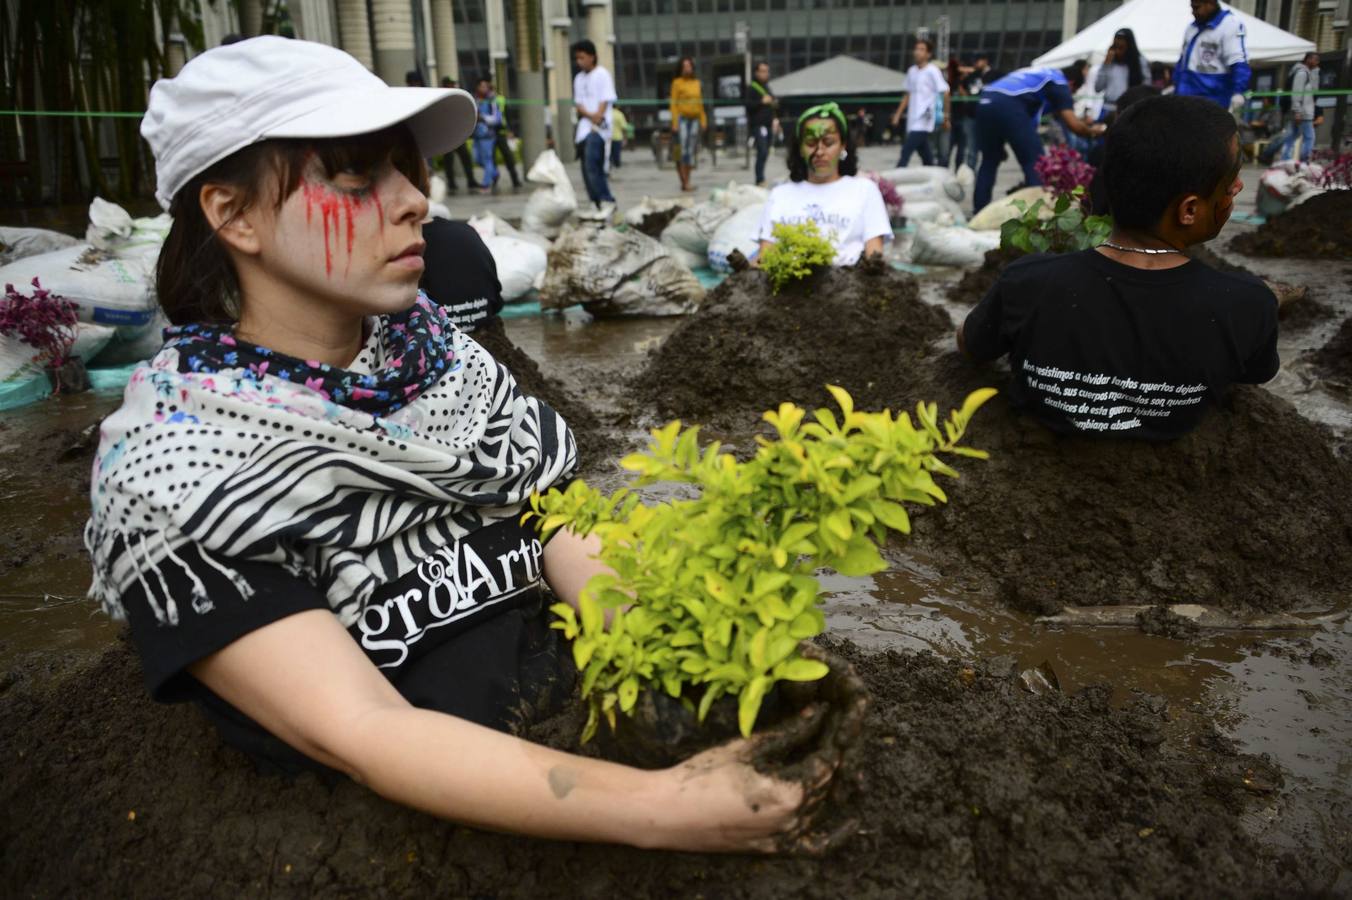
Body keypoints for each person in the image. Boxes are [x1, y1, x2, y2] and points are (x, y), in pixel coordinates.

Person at [105, 35, 852, 855]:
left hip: (569, 726)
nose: (414, 202)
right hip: (420, 842)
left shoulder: (440, 361)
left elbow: (551, 522)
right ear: (233, 213)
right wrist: (666, 807)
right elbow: (360, 728)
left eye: (408, 171)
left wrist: (680, 645)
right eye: (357, 175)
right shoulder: (176, 475)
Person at [958, 95, 1278, 440]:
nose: (1238, 187)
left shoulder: (1026, 282)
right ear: (1189, 210)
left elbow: (971, 345)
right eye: (1231, 179)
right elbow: (1254, 373)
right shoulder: (1247, 304)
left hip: (1040, 466)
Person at [756, 102, 891, 266]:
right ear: (800, 148)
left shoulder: (864, 190)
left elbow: (874, 258)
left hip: (849, 285)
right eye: (811, 143)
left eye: (828, 143)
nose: (820, 152)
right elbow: (765, 257)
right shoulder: (780, 195)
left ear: (843, 145)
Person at [972, 63, 1107, 213]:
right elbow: (1073, 124)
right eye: (1073, 92)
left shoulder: (1038, 73)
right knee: (1035, 163)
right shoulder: (1059, 82)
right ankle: (1036, 214)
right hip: (1009, 103)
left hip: (986, 99)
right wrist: (1094, 131)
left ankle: (979, 210)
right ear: (1072, 84)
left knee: (989, 161)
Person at [422, 218, 504, 332]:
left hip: (438, 334)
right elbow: (496, 293)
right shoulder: (464, 230)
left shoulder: (403, 241)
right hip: (482, 322)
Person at [1174, 0, 1251, 108]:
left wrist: (1238, 91)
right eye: (1192, 8)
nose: (1193, 12)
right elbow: (1182, 62)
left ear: (1210, 4)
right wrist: (1175, 84)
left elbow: (1238, 61)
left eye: (1196, 7)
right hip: (1186, 99)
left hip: (1213, 101)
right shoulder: (1191, 28)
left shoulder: (1229, 25)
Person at [571, 40, 617, 216]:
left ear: (592, 56)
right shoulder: (579, 78)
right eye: (577, 58)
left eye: (582, 57)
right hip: (583, 130)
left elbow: (604, 102)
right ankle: (595, 201)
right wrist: (590, 116)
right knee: (585, 168)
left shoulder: (602, 74)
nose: (579, 62)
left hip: (598, 130)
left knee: (593, 166)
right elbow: (579, 105)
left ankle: (607, 200)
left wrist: (594, 118)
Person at [890, 38, 950, 167]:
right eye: (916, 49)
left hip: (924, 118)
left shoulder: (932, 70)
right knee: (925, 155)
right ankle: (934, 174)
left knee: (906, 151)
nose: (917, 52)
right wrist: (898, 114)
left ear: (928, 54)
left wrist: (945, 116)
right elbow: (908, 94)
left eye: (922, 49)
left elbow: (945, 91)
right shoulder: (911, 71)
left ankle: (895, 178)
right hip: (912, 118)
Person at [669, 56, 706, 193]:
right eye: (684, 66)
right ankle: (684, 182)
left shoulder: (696, 83)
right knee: (682, 150)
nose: (687, 69)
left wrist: (703, 120)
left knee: (690, 151)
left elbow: (700, 103)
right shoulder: (677, 83)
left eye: (689, 66)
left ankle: (687, 181)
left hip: (695, 119)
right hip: (682, 119)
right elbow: (673, 104)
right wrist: (675, 122)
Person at [1276, 52, 1322, 162]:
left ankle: (1285, 158)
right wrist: (1297, 111)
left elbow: (1315, 90)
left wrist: (1315, 72)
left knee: (1293, 135)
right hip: (1303, 112)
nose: (1317, 62)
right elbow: (1297, 93)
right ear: (1307, 60)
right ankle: (1304, 160)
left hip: (1302, 111)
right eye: (1314, 59)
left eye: (1318, 60)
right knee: (1309, 137)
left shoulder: (1309, 73)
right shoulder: (1302, 73)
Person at [1095, 29, 1151, 116]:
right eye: (1115, 47)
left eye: (1121, 47)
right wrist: (1105, 65)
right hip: (1108, 108)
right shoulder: (1109, 63)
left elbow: (1146, 87)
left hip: (1130, 109)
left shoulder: (1139, 62)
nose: (1117, 51)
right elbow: (1098, 88)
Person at [439, 76, 477, 194]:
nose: (453, 86)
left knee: (466, 158)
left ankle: (471, 180)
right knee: (449, 161)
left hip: (457, 135)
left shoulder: (456, 97)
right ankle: (451, 182)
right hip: (446, 135)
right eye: (451, 84)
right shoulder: (441, 99)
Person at [745, 60, 779, 187]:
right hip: (758, 125)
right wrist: (761, 101)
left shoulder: (767, 87)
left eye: (767, 71)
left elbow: (773, 103)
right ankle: (760, 179)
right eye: (763, 71)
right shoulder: (752, 88)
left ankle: (761, 178)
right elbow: (748, 105)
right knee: (762, 151)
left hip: (769, 124)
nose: (766, 74)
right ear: (756, 72)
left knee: (766, 152)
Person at [487, 81, 523, 190]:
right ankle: (494, 179)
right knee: (490, 159)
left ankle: (515, 180)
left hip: (501, 133)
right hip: (489, 134)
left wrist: (511, 130)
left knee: (508, 157)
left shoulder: (500, 100)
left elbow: (508, 115)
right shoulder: (483, 101)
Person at [957, 56, 991, 172]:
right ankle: (971, 173)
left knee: (989, 148)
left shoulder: (994, 74)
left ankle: (986, 172)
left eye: (979, 60)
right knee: (972, 149)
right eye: (975, 60)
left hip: (988, 117)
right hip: (971, 116)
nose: (976, 63)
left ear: (986, 61)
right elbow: (961, 85)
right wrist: (965, 97)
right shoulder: (972, 76)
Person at [472, 76, 500, 195]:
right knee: (477, 159)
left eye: (486, 86)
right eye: (481, 86)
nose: (483, 88)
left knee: (487, 160)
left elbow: (497, 118)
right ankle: (495, 173)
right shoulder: (474, 99)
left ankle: (486, 184)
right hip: (476, 135)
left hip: (488, 136)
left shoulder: (492, 100)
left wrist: (482, 118)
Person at [610, 105, 630, 169]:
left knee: (608, 153)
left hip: (607, 138)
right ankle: (617, 165)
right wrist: (625, 138)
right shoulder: (619, 114)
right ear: (617, 107)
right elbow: (624, 128)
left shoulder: (606, 113)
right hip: (617, 137)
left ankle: (609, 165)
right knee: (616, 153)